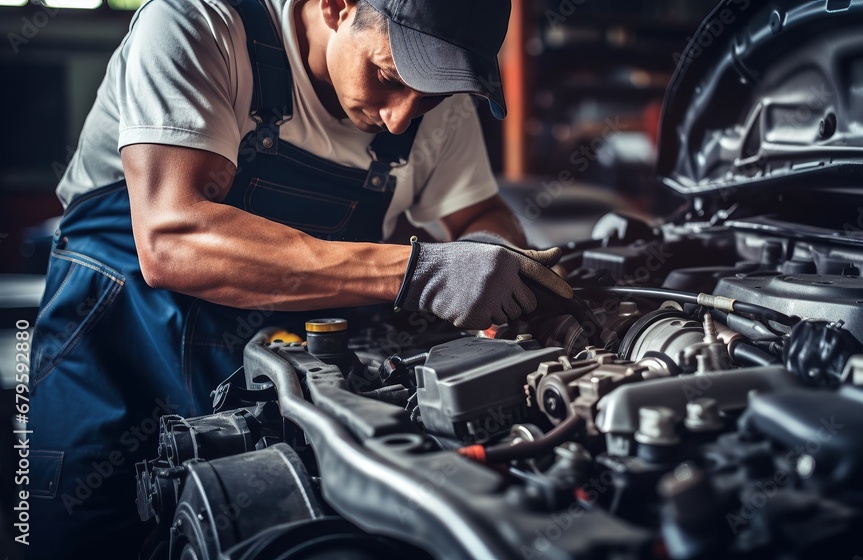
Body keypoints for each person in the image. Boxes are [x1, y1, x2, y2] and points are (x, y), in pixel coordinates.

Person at [25, 0, 572, 557]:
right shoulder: (197, 24)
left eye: (429, 96)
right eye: (386, 76)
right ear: (336, 7)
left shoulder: (431, 107)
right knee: (85, 534)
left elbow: (478, 214)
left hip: (272, 371)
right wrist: (421, 270)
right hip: (116, 354)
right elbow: (172, 240)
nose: (402, 117)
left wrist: (493, 261)